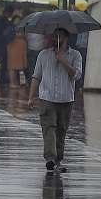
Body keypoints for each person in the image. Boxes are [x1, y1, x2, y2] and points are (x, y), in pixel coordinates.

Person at [27, 29, 83, 173]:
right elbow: (36, 77)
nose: (55, 38)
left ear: (66, 37)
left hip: (66, 99)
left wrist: (63, 61)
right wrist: (31, 96)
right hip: (47, 98)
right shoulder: (43, 55)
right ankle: (50, 158)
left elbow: (76, 75)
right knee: (49, 128)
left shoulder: (75, 55)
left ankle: (58, 160)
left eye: (59, 35)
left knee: (61, 130)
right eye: (54, 35)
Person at [0, 5, 15, 92]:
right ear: (8, 12)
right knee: (2, 64)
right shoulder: (5, 22)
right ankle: (1, 81)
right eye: (10, 13)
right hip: (2, 46)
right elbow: (5, 34)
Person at [7, 12, 28, 87]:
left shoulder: (22, 28)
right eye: (16, 20)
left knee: (19, 66)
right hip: (13, 47)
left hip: (21, 48)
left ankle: (18, 82)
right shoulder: (10, 28)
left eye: (19, 20)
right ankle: (12, 83)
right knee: (12, 67)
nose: (17, 21)